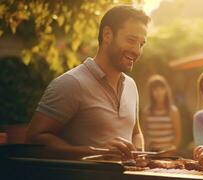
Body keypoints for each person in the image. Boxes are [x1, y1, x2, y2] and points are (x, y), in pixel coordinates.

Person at [26, 5, 151, 160]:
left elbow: (136, 133)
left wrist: (138, 153)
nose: (137, 51)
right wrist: (96, 153)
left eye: (141, 44)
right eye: (131, 40)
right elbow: (34, 139)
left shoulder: (131, 86)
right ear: (107, 35)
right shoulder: (71, 83)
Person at [141, 74, 182, 152]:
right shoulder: (146, 112)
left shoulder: (173, 111)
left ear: (166, 90)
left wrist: (170, 152)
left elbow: (178, 137)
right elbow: (144, 135)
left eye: (161, 89)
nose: (159, 92)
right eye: (155, 89)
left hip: (168, 155)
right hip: (151, 154)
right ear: (151, 92)